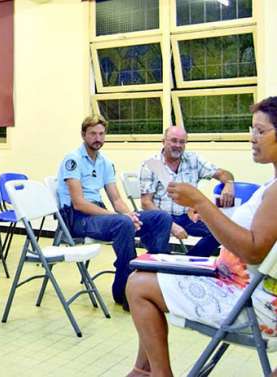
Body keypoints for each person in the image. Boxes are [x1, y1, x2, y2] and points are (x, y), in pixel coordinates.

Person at [125, 97, 277, 377]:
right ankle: (141, 371)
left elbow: (254, 251)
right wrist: (201, 208)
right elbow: (147, 202)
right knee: (152, 256)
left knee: (137, 285)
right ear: (165, 141)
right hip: (245, 283)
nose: (252, 138)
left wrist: (203, 204)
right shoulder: (271, 184)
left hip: (250, 301)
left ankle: (153, 373)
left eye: (260, 131)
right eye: (251, 130)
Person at [56, 115, 172, 307]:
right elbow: (79, 203)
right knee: (122, 223)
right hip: (77, 218)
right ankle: (124, 293)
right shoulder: (73, 159)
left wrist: (130, 215)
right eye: (93, 133)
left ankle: (154, 279)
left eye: (101, 134)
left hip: (100, 215)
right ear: (83, 134)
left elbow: (116, 199)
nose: (97, 138)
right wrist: (121, 217)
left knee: (161, 218)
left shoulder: (105, 162)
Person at [139, 126, 235, 257]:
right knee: (160, 253)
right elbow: (146, 203)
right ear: (163, 141)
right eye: (173, 140)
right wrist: (171, 226)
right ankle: (165, 266)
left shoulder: (193, 160)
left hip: (188, 216)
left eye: (182, 142)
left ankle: (189, 262)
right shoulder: (152, 164)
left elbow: (223, 174)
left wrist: (229, 184)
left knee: (220, 231)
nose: (178, 145)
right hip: (161, 218)